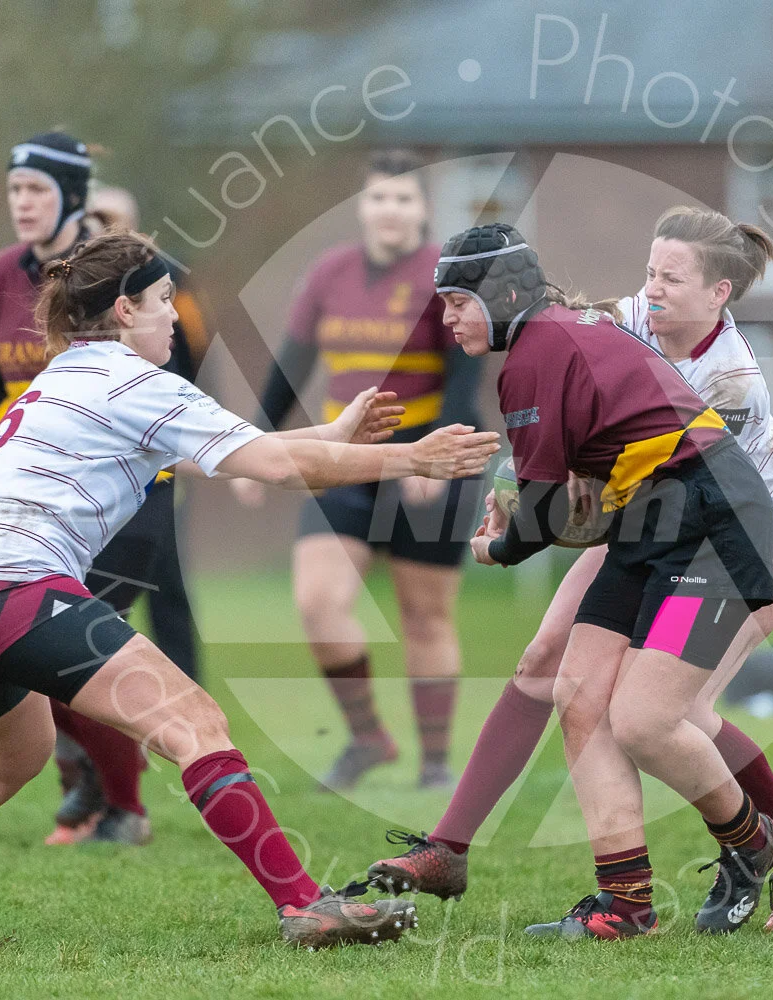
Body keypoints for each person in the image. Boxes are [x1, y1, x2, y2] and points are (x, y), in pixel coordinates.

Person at [0, 229, 498, 946]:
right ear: (125, 309)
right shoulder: (136, 381)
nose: (176, 315)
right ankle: (305, 905)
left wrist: (336, 432)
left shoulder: (66, 373)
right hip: (5, 582)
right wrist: (413, 459)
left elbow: (231, 455)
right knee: (196, 723)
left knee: (15, 755)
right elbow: (274, 468)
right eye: (164, 299)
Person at [366, 207, 773, 934]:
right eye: (650, 272)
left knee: (657, 717)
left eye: (671, 278)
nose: (651, 291)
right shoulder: (606, 321)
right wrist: (534, 496)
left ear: (718, 293)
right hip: (647, 518)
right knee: (569, 684)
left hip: (731, 530)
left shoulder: (730, 379)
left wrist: (508, 536)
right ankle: (611, 899)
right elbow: (581, 470)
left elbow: (577, 504)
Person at [236, 150, 484, 791]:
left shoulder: (445, 275)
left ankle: (435, 763)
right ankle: (368, 737)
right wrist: (250, 447)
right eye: (378, 197)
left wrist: (432, 457)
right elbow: (289, 367)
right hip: (343, 462)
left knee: (424, 616)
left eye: (403, 198)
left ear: (423, 209)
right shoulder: (330, 272)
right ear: (362, 206)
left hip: (430, 455)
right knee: (318, 602)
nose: (389, 210)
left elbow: (466, 377)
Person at [0, 133, 163, 845]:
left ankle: (121, 805)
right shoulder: (0, 275)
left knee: (68, 660)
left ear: (71, 194)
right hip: (32, 507)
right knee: (39, 663)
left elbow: (169, 380)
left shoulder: (119, 274)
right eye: (14, 189)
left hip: (120, 501)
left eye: (37, 189)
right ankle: (102, 786)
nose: (22, 202)